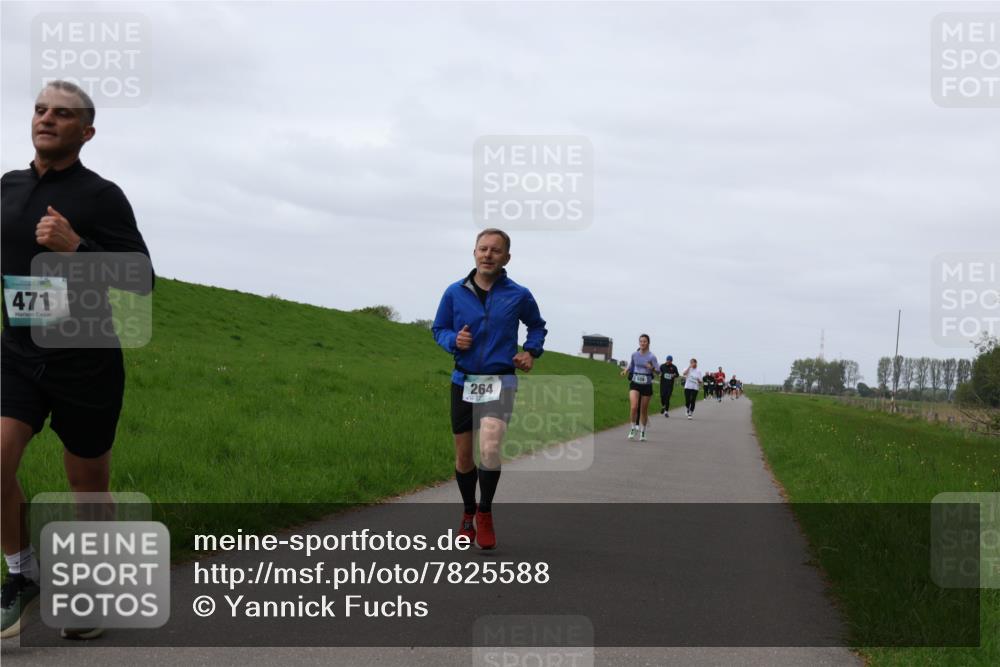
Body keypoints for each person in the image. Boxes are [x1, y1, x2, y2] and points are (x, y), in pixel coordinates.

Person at [1, 81, 153, 639]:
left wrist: (77, 248)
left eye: (62, 114)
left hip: (85, 359)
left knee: (87, 487)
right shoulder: (8, 187)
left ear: (86, 132)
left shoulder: (102, 196)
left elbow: (142, 280)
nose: (47, 119)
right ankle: (23, 573)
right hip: (18, 353)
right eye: (41, 109)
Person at [432, 229, 546, 551]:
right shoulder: (454, 292)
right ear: (474, 253)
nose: (488, 254)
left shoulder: (519, 294)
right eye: (483, 248)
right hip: (464, 380)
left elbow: (536, 326)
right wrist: (454, 340)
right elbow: (439, 328)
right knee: (463, 456)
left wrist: (530, 351)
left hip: (500, 379)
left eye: (495, 250)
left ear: (506, 258)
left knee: (491, 447)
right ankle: (468, 511)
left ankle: (485, 512)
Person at [621, 335, 657, 441]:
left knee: (643, 410)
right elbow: (631, 365)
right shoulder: (634, 354)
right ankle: (633, 428)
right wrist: (625, 370)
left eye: (644, 341)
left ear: (648, 343)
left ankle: (643, 431)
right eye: (641, 341)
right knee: (634, 407)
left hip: (647, 384)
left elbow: (659, 371)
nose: (642, 343)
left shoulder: (652, 357)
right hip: (635, 383)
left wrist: (651, 368)